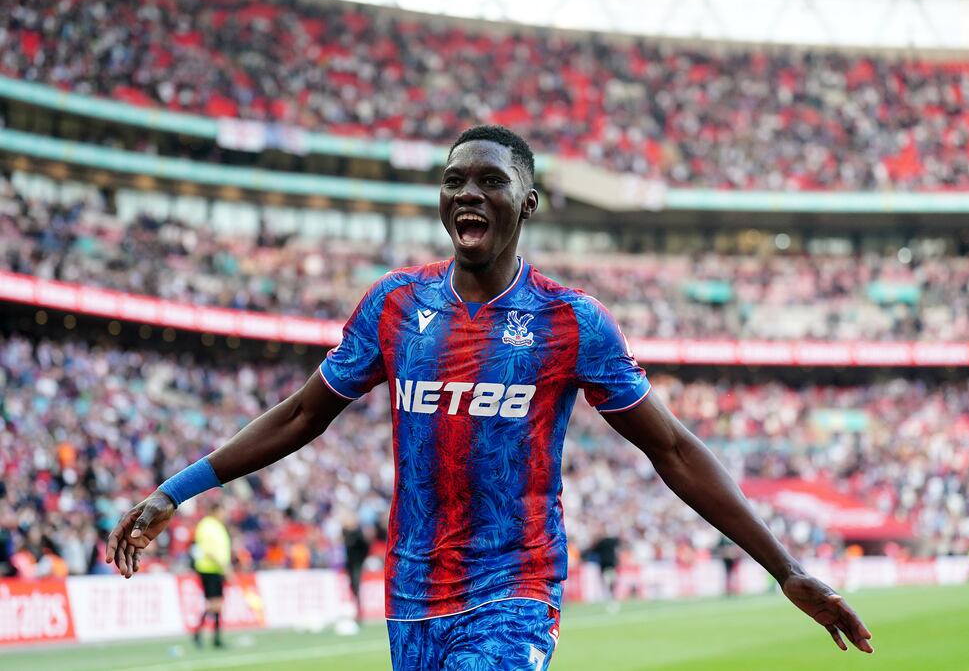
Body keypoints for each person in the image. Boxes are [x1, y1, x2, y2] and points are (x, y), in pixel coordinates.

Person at [107, 125, 873, 669]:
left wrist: (786, 567)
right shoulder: (396, 306)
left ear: (528, 202)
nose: (468, 194)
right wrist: (180, 488)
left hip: (515, 588)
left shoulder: (571, 320)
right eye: (454, 181)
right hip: (411, 593)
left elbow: (671, 448)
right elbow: (305, 413)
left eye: (490, 180)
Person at [191, 502, 233, 648]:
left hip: (217, 570)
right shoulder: (207, 526)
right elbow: (208, 550)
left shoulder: (217, 526)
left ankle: (215, 638)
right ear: (215, 511)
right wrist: (225, 568)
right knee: (214, 604)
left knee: (217, 604)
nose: (225, 515)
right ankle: (199, 633)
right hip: (209, 569)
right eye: (223, 511)